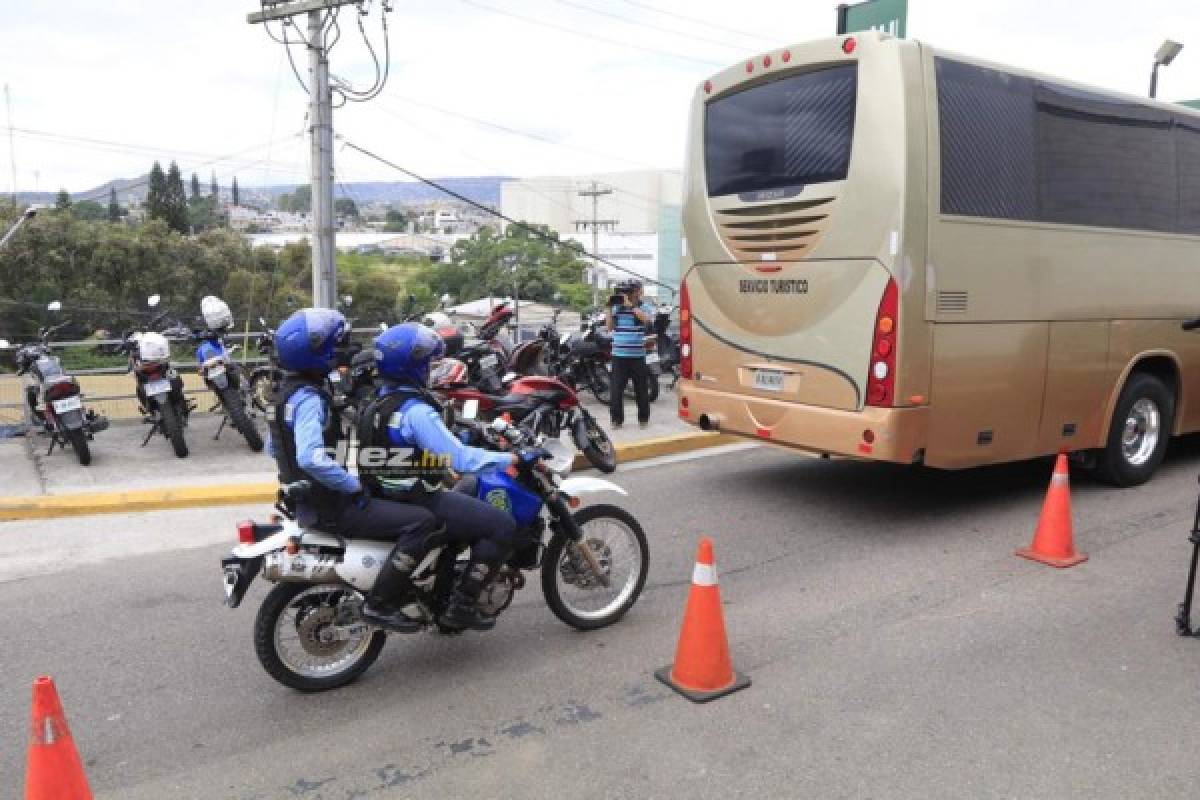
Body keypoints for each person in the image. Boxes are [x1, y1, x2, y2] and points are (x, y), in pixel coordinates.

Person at [265, 308, 438, 634]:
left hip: (305, 502)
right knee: (423, 522)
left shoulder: (281, 393)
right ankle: (381, 604)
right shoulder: (309, 399)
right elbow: (311, 458)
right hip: (332, 507)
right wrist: (351, 486)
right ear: (315, 353)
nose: (337, 351)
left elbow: (273, 448)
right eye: (331, 347)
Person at [356, 322, 536, 632]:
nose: (430, 367)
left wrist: (460, 440)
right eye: (426, 361)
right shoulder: (416, 411)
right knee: (501, 525)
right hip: (418, 498)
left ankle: (442, 591)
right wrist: (511, 457)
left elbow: (406, 453)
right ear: (412, 366)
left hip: (386, 492)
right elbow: (462, 461)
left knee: (465, 507)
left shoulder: (375, 403)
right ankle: (462, 604)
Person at [606, 278, 655, 429]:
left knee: (641, 389)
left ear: (636, 293)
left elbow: (647, 320)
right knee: (616, 391)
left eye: (628, 292)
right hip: (619, 356)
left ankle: (643, 418)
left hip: (637, 356)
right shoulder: (617, 308)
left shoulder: (644, 306)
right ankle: (616, 420)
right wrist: (608, 308)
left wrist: (631, 306)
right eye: (623, 292)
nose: (624, 295)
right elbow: (610, 328)